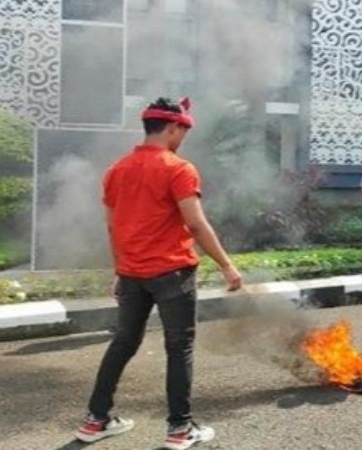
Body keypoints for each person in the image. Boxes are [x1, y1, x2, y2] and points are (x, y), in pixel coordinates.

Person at [74, 98, 242, 449]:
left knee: (123, 343)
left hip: (133, 273)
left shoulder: (116, 170)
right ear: (172, 128)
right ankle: (180, 429)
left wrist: (120, 268)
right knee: (179, 348)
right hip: (172, 273)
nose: (184, 137)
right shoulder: (178, 168)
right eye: (183, 130)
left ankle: (95, 420)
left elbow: (112, 228)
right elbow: (195, 224)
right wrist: (227, 265)